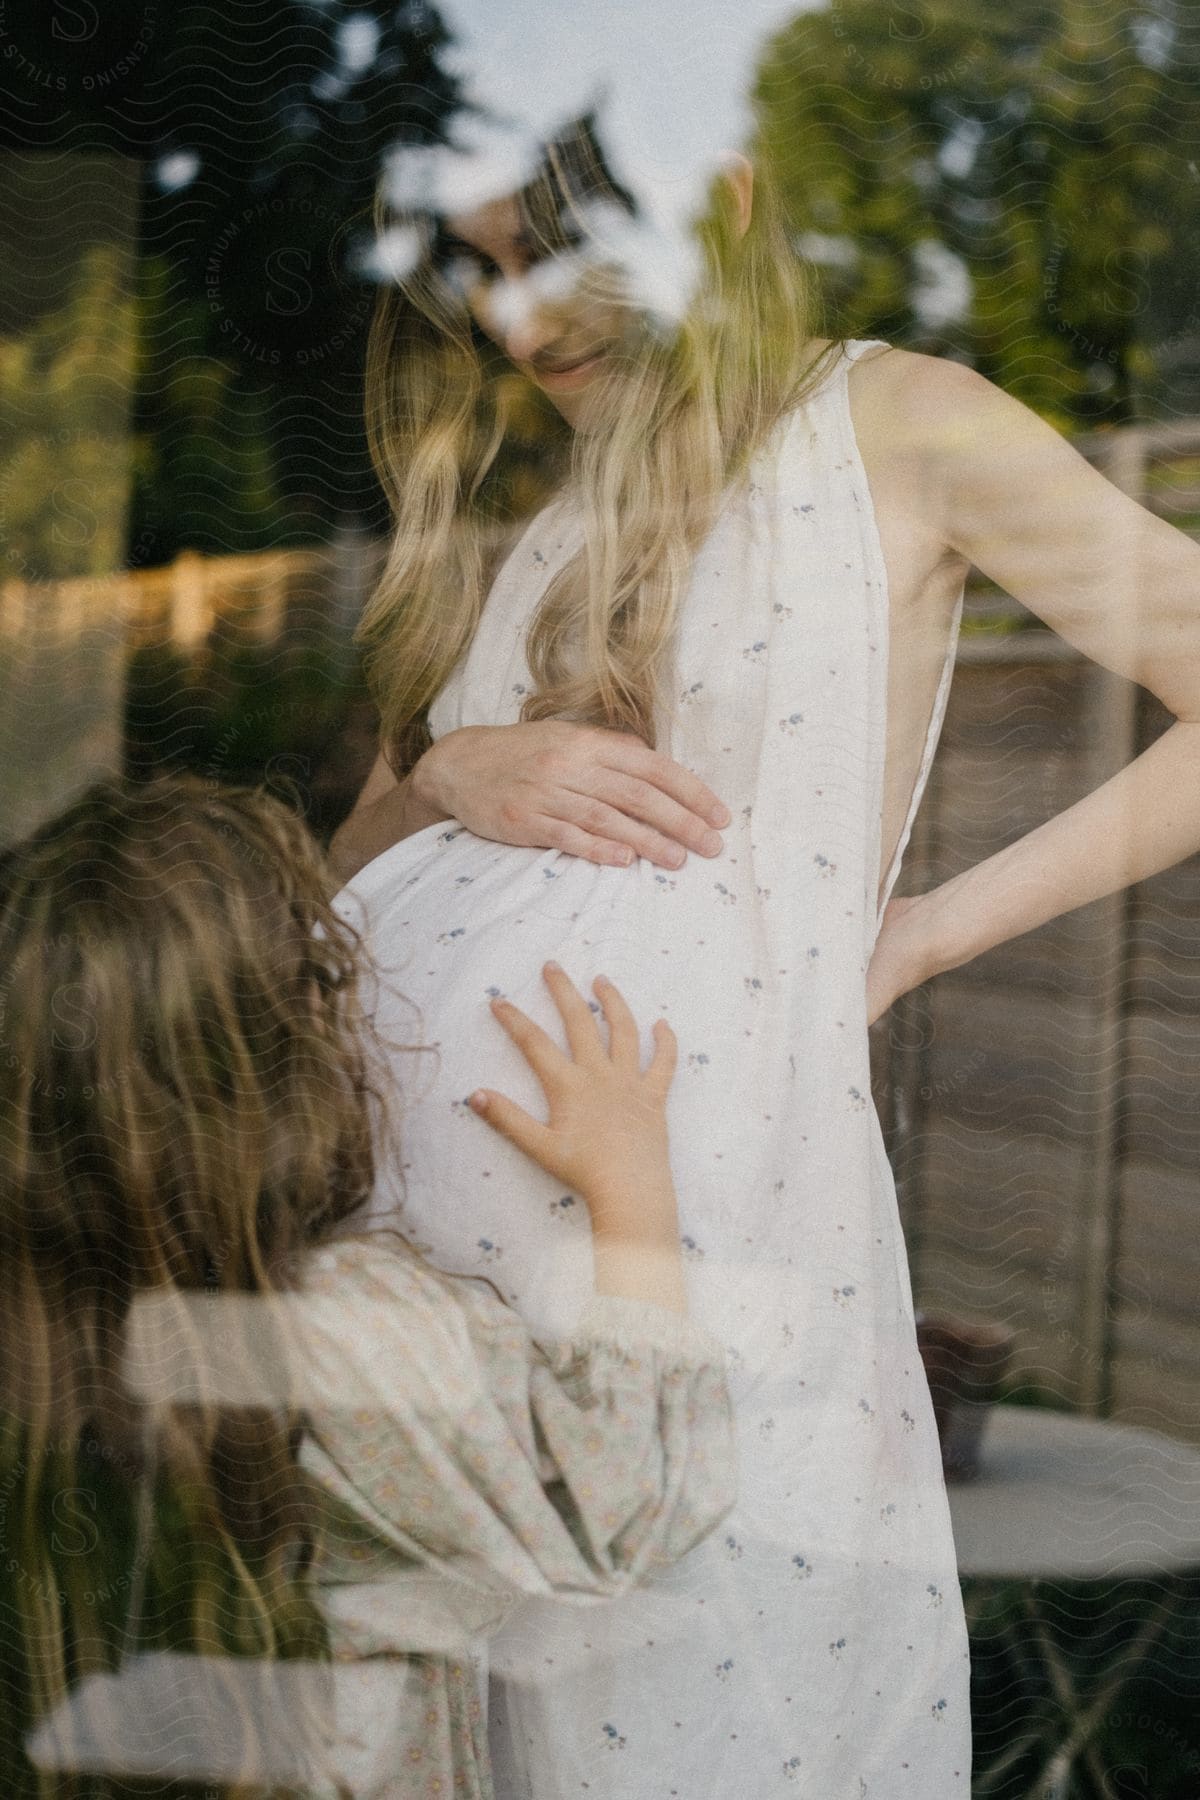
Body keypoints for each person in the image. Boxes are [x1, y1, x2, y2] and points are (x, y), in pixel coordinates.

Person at [331, 106, 1200, 1799]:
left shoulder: (898, 421)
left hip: (721, 1217)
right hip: (433, 1291)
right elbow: (350, 859)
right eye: (487, 273)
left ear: (723, 206)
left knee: (699, 1708)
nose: (522, 322)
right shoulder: (540, 505)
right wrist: (449, 770)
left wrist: (923, 933)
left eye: (561, 253)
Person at [0, 773, 735, 1800]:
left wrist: (447, 773)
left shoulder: (35, 1324)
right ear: (284, 1040)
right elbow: (612, 1508)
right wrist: (633, 1196)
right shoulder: (337, 1332)